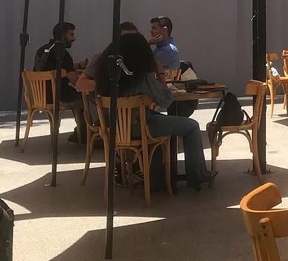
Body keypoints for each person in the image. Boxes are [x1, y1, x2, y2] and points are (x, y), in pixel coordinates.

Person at [95, 33, 215, 191]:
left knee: (157, 127)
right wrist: (160, 74)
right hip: (140, 126)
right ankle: (197, 176)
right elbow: (166, 100)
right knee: (191, 126)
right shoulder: (141, 77)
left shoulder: (107, 76)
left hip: (115, 129)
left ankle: (156, 180)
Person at [34, 21, 88, 144]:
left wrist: (78, 65)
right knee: (85, 99)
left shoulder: (42, 50)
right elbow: (76, 83)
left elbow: (56, 68)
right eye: (71, 35)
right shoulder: (62, 53)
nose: (74, 38)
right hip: (57, 95)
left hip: (40, 96)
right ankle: (83, 135)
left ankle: (80, 133)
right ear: (63, 35)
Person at [77, 22, 140, 91]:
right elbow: (80, 84)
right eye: (125, 39)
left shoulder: (140, 60)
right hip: (109, 99)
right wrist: (110, 84)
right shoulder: (101, 58)